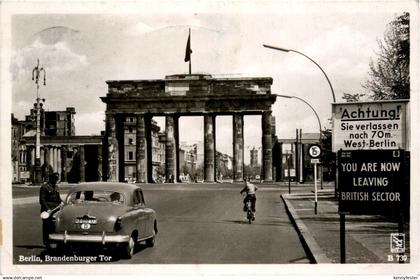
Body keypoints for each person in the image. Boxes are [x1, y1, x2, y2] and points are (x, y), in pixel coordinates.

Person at [39, 172, 62, 248]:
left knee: (54, 225)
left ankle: (54, 240)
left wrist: (62, 202)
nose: (56, 180)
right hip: (47, 210)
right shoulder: (44, 187)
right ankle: (46, 241)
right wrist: (47, 209)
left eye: (57, 179)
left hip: (55, 209)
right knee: (46, 226)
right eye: (55, 179)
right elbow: (42, 200)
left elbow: (58, 198)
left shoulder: (56, 187)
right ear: (51, 178)